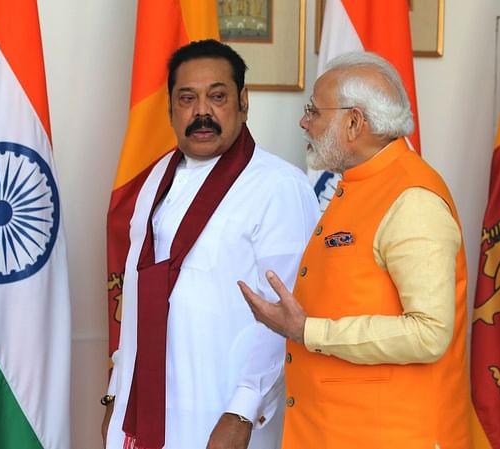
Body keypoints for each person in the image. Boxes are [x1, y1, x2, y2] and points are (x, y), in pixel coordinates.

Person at [238, 51, 472, 449]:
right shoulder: (360, 183)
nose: (304, 121)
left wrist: (306, 330)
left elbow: (430, 333)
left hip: (393, 436)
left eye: (313, 110)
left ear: (353, 122)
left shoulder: (411, 198)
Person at [102, 39, 319, 449]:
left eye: (217, 96)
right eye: (188, 98)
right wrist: (116, 391)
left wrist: (242, 410)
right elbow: (136, 299)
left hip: (222, 416)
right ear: (170, 109)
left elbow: (286, 314)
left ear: (243, 102)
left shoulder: (279, 186)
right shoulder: (154, 180)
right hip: (140, 412)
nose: (202, 112)